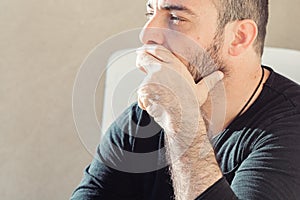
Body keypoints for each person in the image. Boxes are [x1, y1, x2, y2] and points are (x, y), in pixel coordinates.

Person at [71, 0, 300, 199]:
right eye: (150, 13)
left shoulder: (291, 129)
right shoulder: (145, 116)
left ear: (239, 38)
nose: (147, 34)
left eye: (175, 17)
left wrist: (181, 119)